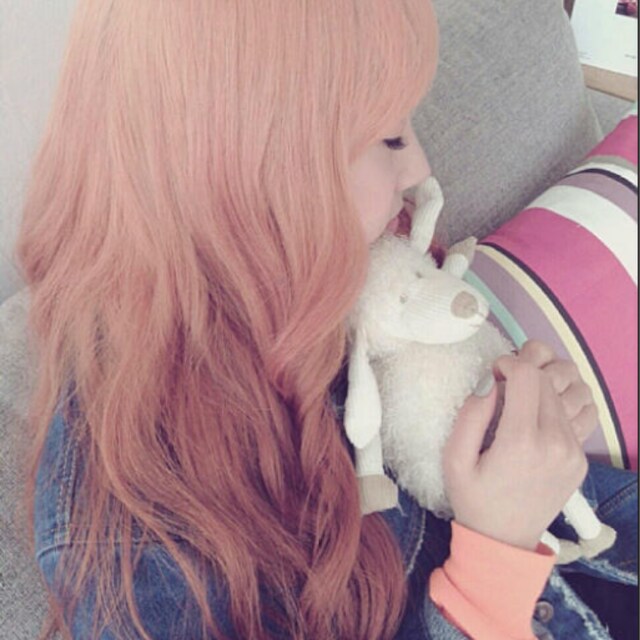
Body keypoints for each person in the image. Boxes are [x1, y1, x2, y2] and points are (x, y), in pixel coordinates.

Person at [15, 1, 637, 639]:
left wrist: (528, 439)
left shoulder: (337, 272)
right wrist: (495, 556)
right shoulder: (141, 548)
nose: (420, 169)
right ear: (251, 170)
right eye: (389, 138)